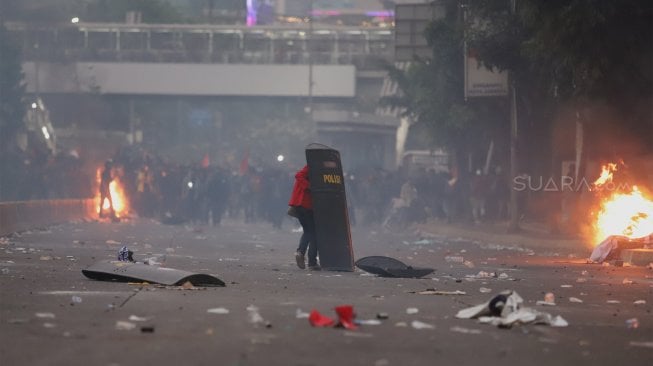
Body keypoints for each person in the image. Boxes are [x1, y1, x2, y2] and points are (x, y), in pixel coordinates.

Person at [288, 165, 320, 270]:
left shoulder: (312, 168)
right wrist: (310, 186)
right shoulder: (312, 167)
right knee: (313, 233)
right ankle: (311, 262)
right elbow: (298, 175)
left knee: (308, 231)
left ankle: (301, 253)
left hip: (300, 206)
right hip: (305, 205)